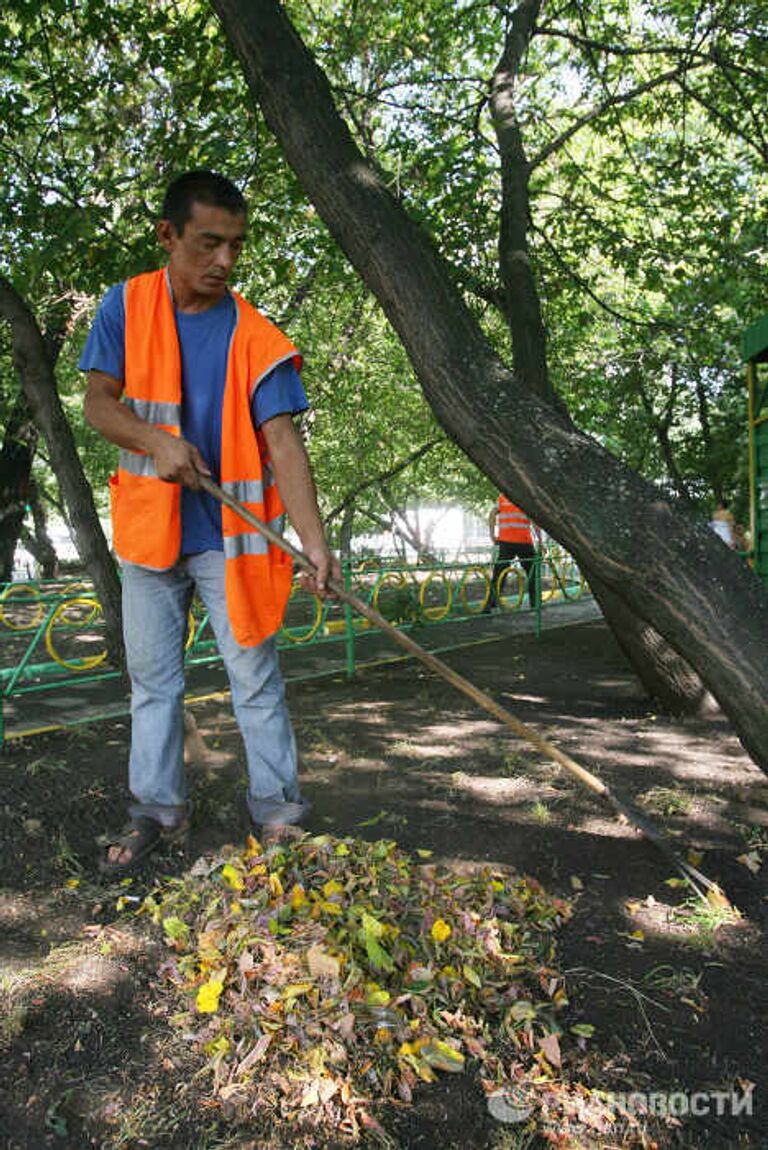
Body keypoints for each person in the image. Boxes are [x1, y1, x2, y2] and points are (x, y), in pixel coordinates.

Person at [81, 170, 340, 874]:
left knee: (255, 678)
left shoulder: (257, 335)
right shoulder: (125, 307)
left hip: (234, 542)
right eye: (207, 243)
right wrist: (157, 442)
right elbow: (99, 406)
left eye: (234, 245)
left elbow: (284, 441)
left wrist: (314, 543)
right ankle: (156, 812)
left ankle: (280, 815)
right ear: (168, 236)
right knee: (154, 685)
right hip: (149, 533)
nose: (224, 261)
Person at [486, 493, 539, 610]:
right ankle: (535, 604)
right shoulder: (527, 498)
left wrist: (492, 534)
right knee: (532, 572)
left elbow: (492, 514)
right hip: (524, 542)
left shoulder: (502, 498)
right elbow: (535, 521)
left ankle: (490, 604)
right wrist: (540, 541)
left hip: (505, 541)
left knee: (499, 572)